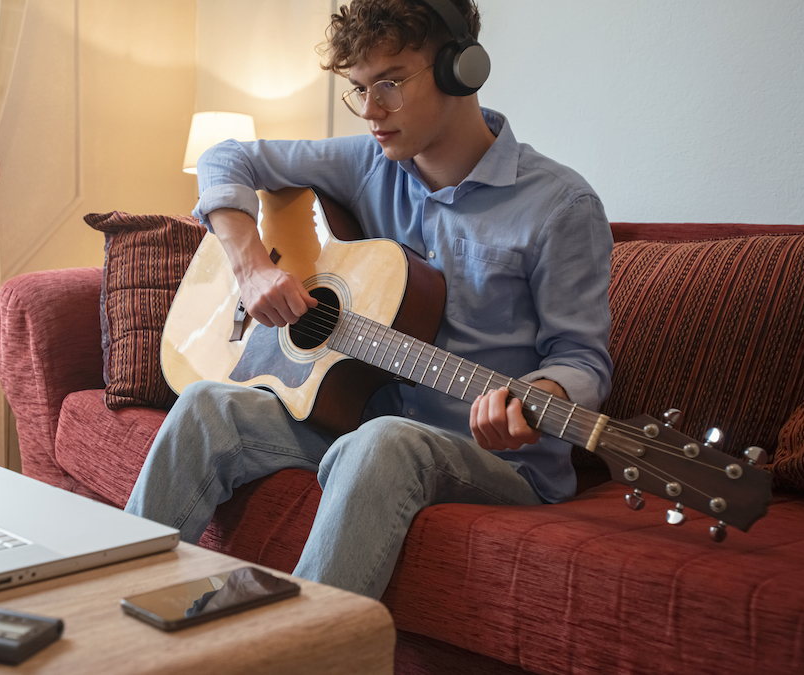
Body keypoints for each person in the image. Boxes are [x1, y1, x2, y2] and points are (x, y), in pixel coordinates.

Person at [126, 0, 613, 600]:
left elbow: (582, 360)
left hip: (497, 463)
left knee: (383, 441)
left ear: (460, 68)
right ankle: (111, 616)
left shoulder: (561, 205)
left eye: (390, 83)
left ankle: (304, 652)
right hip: (359, 419)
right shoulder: (369, 164)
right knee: (206, 404)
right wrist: (251, 267)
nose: (372, 112)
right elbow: (226, 156)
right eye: (359, 89)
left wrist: (539, 397)